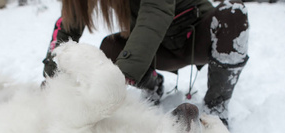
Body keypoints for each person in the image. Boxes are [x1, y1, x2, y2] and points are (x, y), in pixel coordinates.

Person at [42, 0, 249, 126]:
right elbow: (69, 22)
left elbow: (155, 13)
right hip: (159, 49)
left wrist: (117, 79)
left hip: (197, 39)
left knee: (233, 13)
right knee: (111, 47)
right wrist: (52, 74)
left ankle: (217, 107)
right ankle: (152, 84)